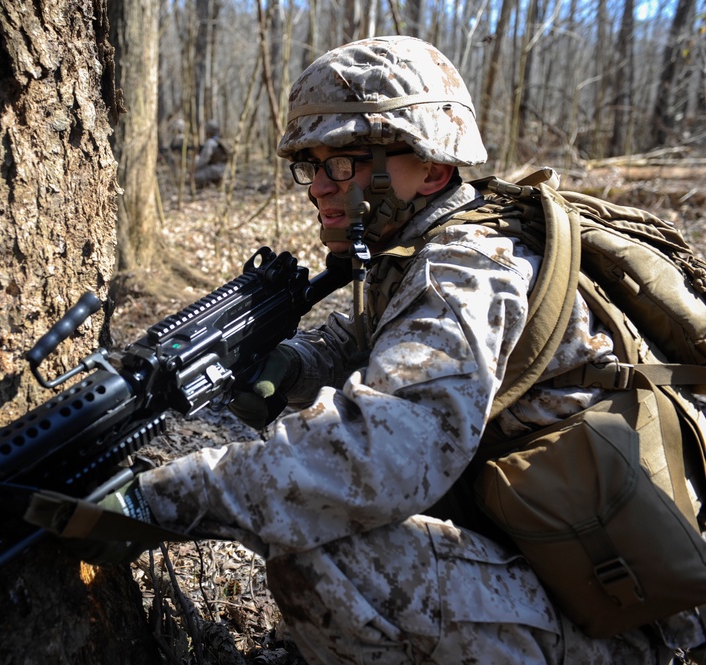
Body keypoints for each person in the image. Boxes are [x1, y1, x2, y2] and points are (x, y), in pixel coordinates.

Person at [45, 36, 706, 663]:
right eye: (311, 165)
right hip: (559, 565)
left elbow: (380, 456)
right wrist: (292, 365)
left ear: (432, 165)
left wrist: (160, 496)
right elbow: (379, 334)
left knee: (325, 555)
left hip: (628, 625)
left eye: (344, 161)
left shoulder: (464, 269)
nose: (318, 185)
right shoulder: (436, 244)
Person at [192, 119, 229, 188]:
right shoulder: (219, 141)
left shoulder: (210, 142)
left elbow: (204, 159)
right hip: (224, 169)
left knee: (195, 176)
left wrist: (195, 167)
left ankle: (209, 183)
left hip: (217, 170)